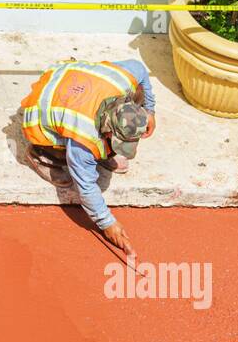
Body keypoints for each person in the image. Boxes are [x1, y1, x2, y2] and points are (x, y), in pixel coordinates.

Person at [20, 59, 157, 256]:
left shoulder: (123, 82)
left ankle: (102, 151)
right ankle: (41, 155)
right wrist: (107, 222)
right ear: (109, 132)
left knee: (139, 92)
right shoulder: (82, 137)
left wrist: (150, 111)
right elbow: (86, 186)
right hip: (42, 106)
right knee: (71, 154)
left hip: (71, 77)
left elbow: (140, 68)